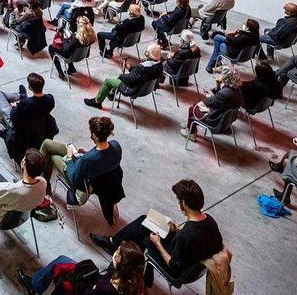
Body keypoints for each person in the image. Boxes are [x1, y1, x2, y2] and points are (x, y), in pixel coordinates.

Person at [90, 179, 223, 284]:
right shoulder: (209, 220)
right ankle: (117, 248)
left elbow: (174, 267)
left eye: (178, 200)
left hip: (179, 270)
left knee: (145, 237)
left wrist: (158, 243)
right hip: (192, 261)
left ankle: (119, 256)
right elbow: (198, 235)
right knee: (146, 221)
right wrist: (176, 229)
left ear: (183, 203)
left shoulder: (185, 236)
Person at [18, 240, 146, 295]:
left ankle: (34, 286)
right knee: (63, 260)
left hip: (84, 287)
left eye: (117, 252)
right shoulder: (134, 280)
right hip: (94, 280)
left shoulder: (105, 289)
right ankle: (36, 284)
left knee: (61, 265)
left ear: (120, 263)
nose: (115, 252)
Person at [39, 116, 122, 201]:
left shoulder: (87, 159)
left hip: (79, 180)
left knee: (52, 154)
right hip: (93, 174)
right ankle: (44, 183)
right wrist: (86, 152)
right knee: (47, 143)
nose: (91, 135)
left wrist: (70, 158)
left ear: (96, 136)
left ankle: (40, 183)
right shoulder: (116, 146)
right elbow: (102, 157)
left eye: (92, 133)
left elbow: (73, 178)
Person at [85, 43, 164, 109]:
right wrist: (130, 68)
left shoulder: (142, 68)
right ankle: (111, 94)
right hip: (145, 89)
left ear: (148, 53)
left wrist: (121, 76)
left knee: (108, 81)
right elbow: (141, 75)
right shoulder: (159, 66)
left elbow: (130, 79)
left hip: (132, 89)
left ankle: (97, 102)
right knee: (120, 78)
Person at [181, 65, 243, 140]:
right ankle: (190, 124)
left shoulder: (224, 94)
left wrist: (210, 96)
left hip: (215, 121)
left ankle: (191, 133)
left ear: (225, 77)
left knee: (193, 108)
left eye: (221, 74)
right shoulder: (237, 90)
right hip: (226, 120)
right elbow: (219, 102)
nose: (219, 76)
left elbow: (211, 103)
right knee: (198, 106)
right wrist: (218, 87)